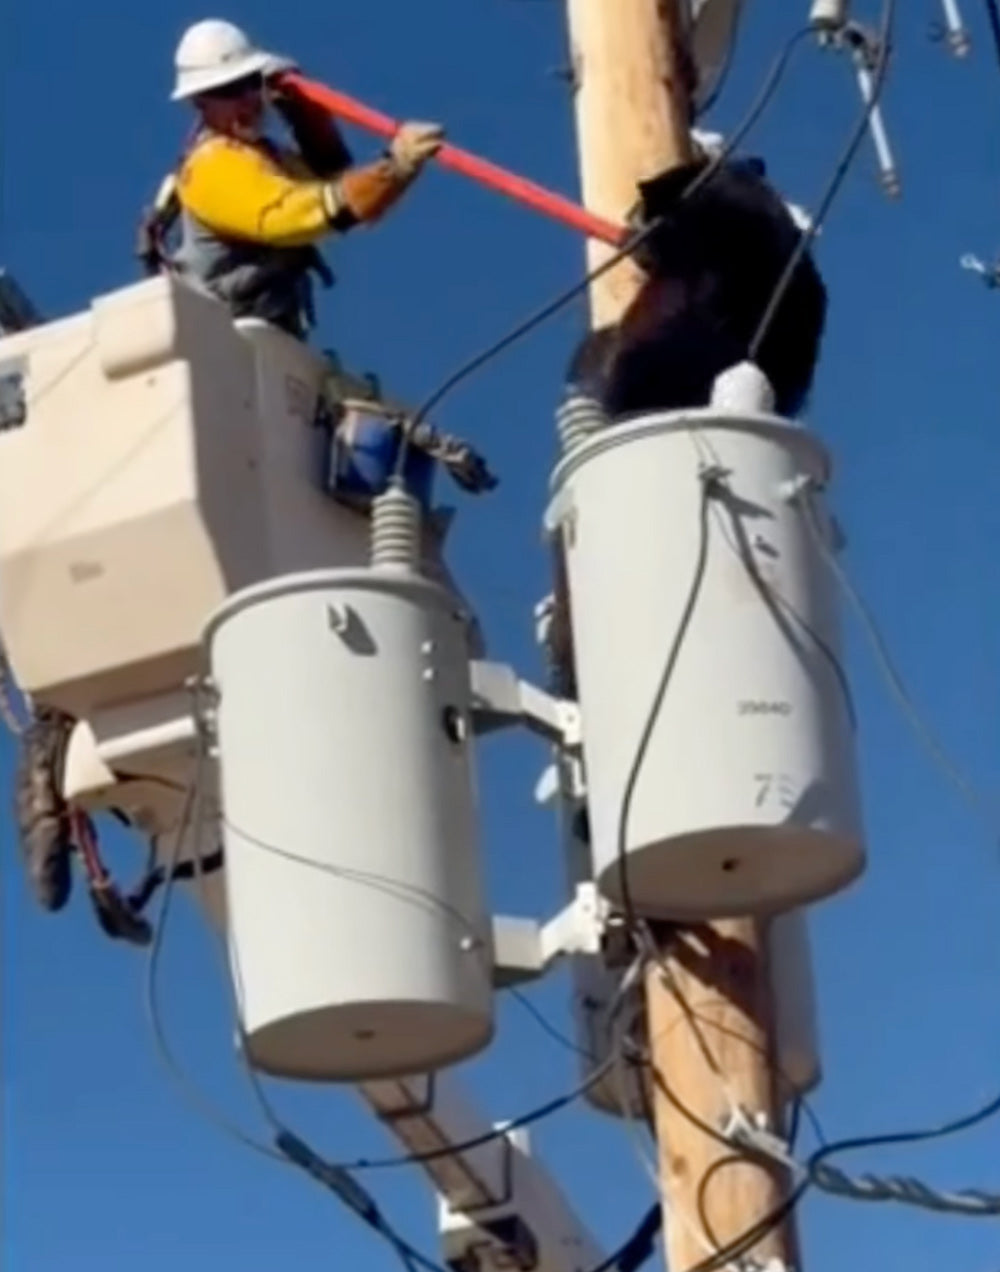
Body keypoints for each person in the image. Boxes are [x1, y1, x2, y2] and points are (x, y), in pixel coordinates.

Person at [137, 18, 446, 337]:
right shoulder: (211, 165)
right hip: (223, 339)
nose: (247, 100)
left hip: (261, 339)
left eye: (250, 84)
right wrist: (395, 166)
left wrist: (305, 115)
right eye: (229, 90)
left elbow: (334, 179)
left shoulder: (264, 156)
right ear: (200, 103)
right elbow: (299, 213)